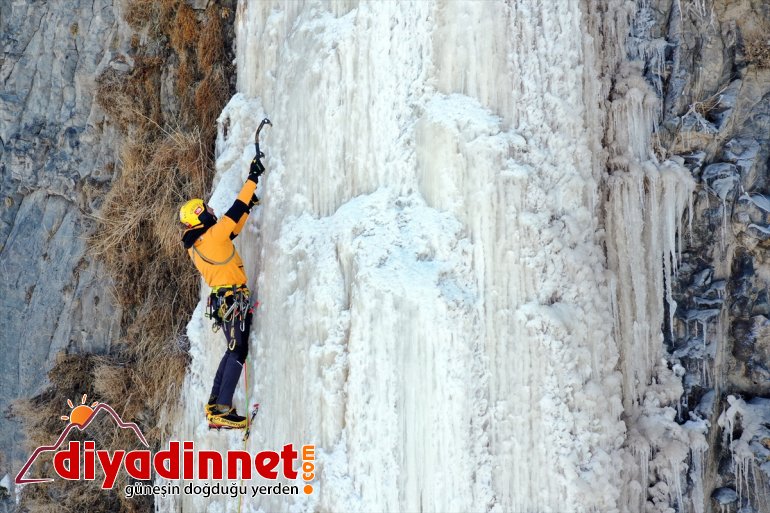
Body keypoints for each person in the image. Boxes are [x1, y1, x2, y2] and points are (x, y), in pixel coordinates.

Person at [178, 150, 265, 429]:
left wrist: (249, 205)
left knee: (232, 350)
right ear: (202, 215)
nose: (213, 210)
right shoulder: (213, 235)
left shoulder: (200, 244)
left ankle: (216, 404)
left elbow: (234, 228)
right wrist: (253, 178)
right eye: (208, 209)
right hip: (232, 299)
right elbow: (233, 213)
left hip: (224, 300)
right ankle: (222, 407)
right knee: (237, 351)